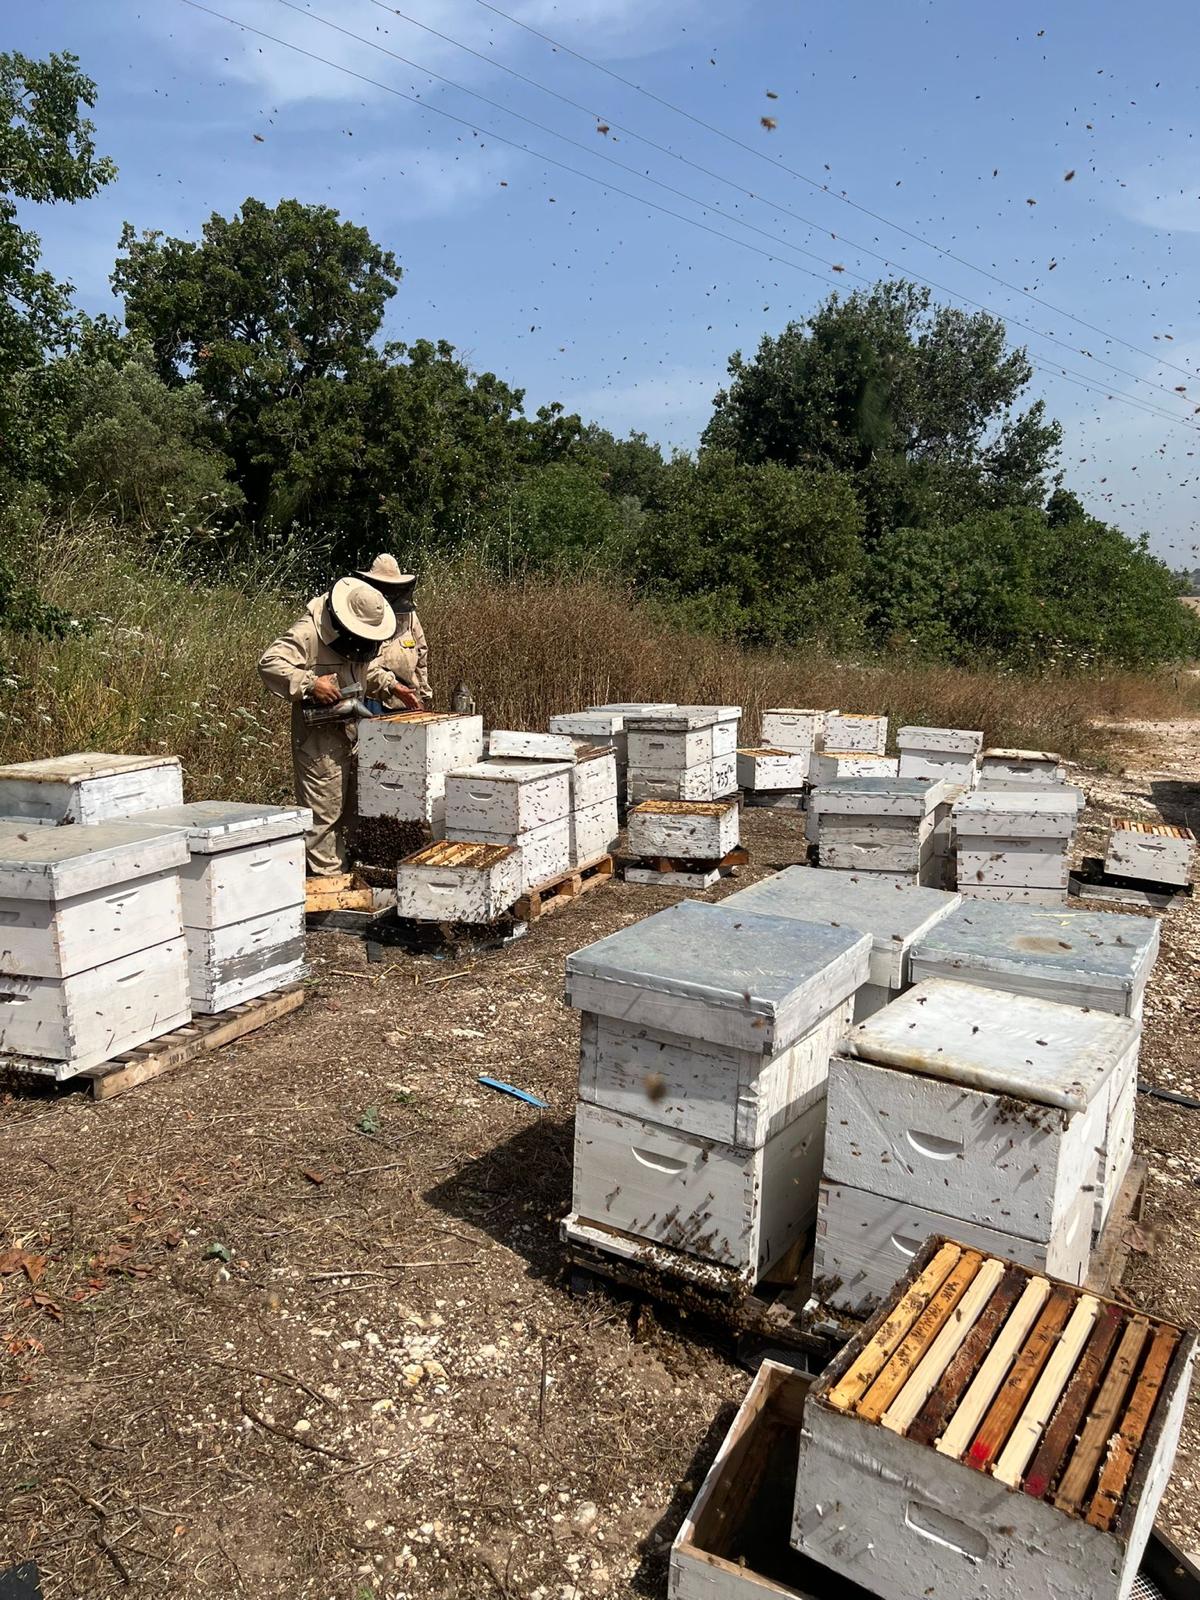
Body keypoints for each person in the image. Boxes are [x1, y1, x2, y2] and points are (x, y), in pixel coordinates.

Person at [258, 577, 397, 877]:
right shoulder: (309, 631)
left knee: (353, 813)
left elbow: (363, 670)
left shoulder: (357, 641)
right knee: (324, 818)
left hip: (351, 734)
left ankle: (351, 876)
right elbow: (270, 663)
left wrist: (391, 686)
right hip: (319, 743)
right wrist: (310, 684)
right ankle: (330, 893)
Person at [355, 554, 434, 710]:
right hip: (373, 699)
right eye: (384, 586)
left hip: (408, 698)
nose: (388, 591)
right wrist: (392, 685)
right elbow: (362, 666)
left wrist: (423, 696)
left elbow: (421, 656)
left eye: (392, 586)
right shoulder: (361, 613)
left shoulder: (409, 616)